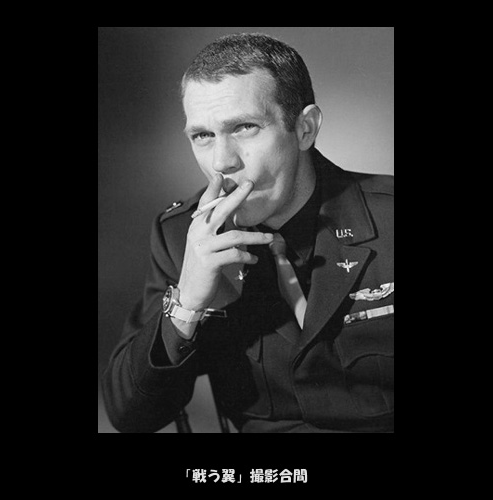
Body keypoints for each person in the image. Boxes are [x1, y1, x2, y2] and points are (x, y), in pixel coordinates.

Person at [102, 32, 394, 433]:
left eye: (244, 127)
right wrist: (187, 305)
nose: (222, 162)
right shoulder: (182, 237)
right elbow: (130, 417)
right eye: (203, 136)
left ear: (305, 129)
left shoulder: (389, 216)